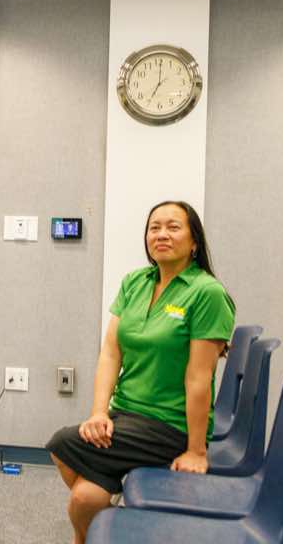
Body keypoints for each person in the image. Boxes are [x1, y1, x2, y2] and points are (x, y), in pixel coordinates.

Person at [46, 200, 235, 544]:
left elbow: (199, 378)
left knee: (62, 442)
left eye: (173, 227)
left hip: (170, 425)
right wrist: (99, 413)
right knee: (84, 499)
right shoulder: (134, 282)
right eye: (154, 228)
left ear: (194, 241)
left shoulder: (207, 293)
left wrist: (196, 450)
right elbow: (110, 353)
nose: (161, 234)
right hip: (125, 416)